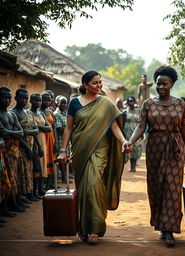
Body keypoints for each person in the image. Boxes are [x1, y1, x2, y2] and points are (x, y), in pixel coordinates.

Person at [124, 66, 185, 247]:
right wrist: (130, 142)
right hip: (154, 148)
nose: (161, 87)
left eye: (165, 84)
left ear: (171, 85)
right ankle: (161, 225)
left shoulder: (180, 104)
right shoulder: (148, 104)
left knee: (172, 187)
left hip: (175, 149)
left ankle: (169, 229)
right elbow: (141, 126)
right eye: (158, 84)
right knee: (156, 187)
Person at [58, 70, 130, 244]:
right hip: (80, 150)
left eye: (100, 82)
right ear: (85, 85)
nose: (99, 86)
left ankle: (95, 228)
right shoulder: (74, 103)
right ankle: (84, 227)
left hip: (100, 150)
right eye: (95, 83)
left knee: (94, 183)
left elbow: (114, 126)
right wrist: (63, 150)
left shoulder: (105, 103)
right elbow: (69, 128)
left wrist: (124, 141)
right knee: (84, 188)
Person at [11, 88, 40, 202]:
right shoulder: (13, 113)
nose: (24, 100)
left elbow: (36, 130)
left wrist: (35, 144)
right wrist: (27, 146)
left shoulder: (29, 113)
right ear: (16, 98)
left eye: (26, 98)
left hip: (31, 146)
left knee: (30, 171)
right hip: (20, 147)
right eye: (22, 98)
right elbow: (18, 135)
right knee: (20, 172)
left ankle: (29, 193)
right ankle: (19, 197)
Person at [0, 87, 24, 213]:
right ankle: (5, 206)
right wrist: (13, 133)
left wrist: (9, 133)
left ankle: (11, 203)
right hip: (4, 150)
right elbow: (2, 133)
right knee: (5, 179)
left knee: (13, 177)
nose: (7, 100)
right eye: (4, 97)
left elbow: (21, 132)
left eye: (9, 97)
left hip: (14, 149)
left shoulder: (12, 114)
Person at [30, 93, 52, 195]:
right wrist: (40, 128)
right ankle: (33, 191)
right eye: (36, 100)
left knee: (42, 165)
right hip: (34, 142)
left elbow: (49, 128)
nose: (38, 103)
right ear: (30, 101)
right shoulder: (28, 113)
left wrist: (38, 128)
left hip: (43, 141)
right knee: (35, 167)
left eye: (39, 101)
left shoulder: (41, 114)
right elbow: (31, 130)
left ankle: (40, 189)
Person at [53, 96, 72, 183]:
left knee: (66, 159)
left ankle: (66, 177)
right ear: (57, 103)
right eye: (62, 103)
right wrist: (68, 128)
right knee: (61, 161)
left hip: (66, 140)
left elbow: (68, 126)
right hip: (60, 140)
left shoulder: (65, 113)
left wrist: (67, 128)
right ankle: (64, 178)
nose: (64, 104)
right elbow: (60, 129)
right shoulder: (56, 114)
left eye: (65, 103)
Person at [40, 92, 56, 189]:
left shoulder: (50, 112)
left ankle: (49, 184)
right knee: (43, 161)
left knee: (51, 160)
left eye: (49, 100)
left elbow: (53, 127)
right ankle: (42, 185)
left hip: (51, 138)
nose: (47, 102)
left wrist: (55, 142)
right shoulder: (38, 112)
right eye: (45, 100)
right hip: (43, 138)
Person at [123, 96, 142, 172]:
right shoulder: (125, 112)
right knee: (129, 147)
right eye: (129, 101)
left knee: (136, 148)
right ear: (127, 103)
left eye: (132, 101)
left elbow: (141, 122)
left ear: (135, 102)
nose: (131, 103)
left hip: (136, 130)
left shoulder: (139, 111)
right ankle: (131, 167)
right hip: (127, 131)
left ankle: (134, 166)